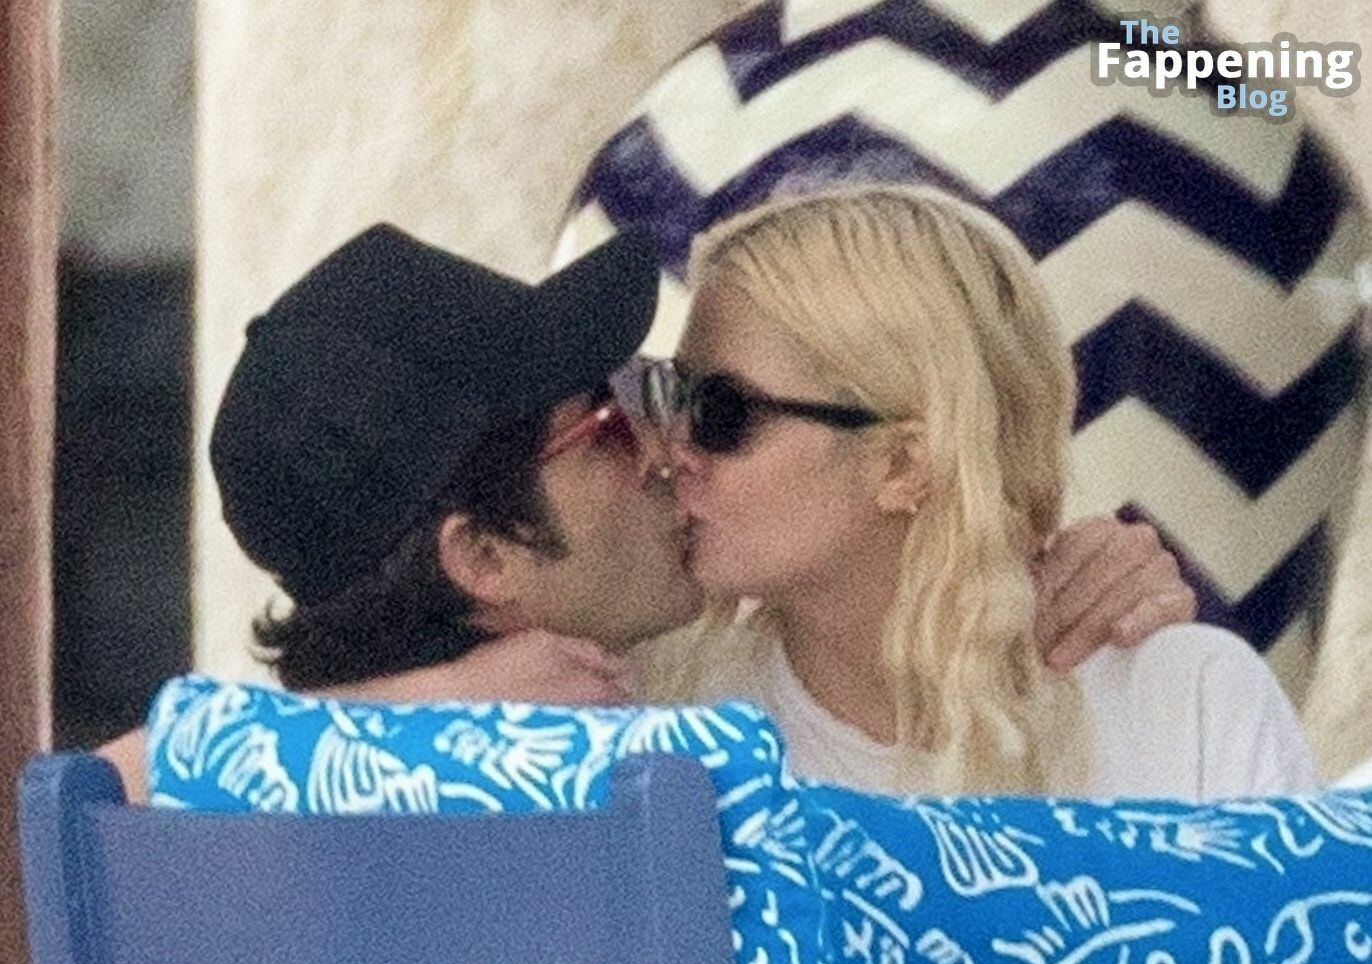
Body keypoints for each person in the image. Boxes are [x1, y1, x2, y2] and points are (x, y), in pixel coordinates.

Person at [99, 220, 1199, 799]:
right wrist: (449, 703)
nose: (666, 449)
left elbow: (96, 797)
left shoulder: (274, 799)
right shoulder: (627, 745)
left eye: (692, 406)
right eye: (610, 425)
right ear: (483, 557)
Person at [630, 183, 1314, 801]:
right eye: (670, 394)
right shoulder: (654, 716)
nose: (668, 448)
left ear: (903, 465)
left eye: (721, 412)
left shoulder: (1189, 706)